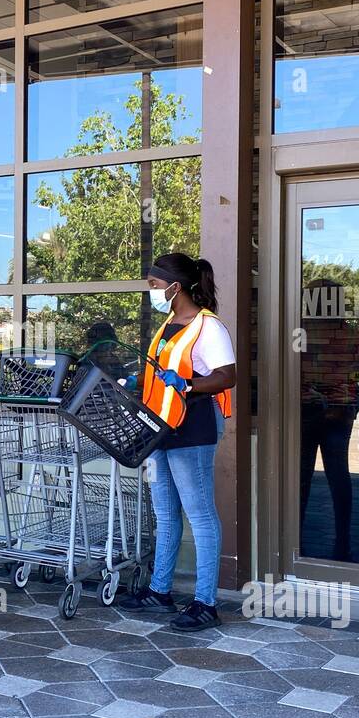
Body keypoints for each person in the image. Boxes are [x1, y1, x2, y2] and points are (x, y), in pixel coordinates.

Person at [118, 253, 236, 631]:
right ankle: (159, 591)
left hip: (193, 428)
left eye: (154, 285)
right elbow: (160, 373)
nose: (151, 291)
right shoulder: (170, 323)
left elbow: (227, 376)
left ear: (175, 286)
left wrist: (188, 384)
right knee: (166, 513)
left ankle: (205, 602)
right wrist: (134, 382)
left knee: (199, 515)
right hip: (160, 428)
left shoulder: (208, 326)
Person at [298, 279, 359, 561]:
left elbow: (293, 374)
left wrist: (311, 390)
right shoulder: (350, 334)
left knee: (300, 479)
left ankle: (294, 542)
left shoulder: (299, 331)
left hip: (305, 411)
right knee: (339, 477)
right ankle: (342, 544)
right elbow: (358, 375)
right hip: (339, 411)